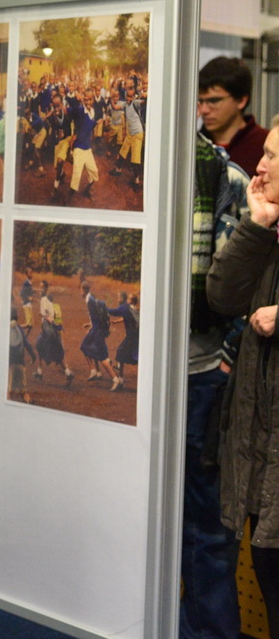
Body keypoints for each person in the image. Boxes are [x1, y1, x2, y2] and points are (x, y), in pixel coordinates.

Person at [208, 118, 279, 630]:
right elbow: (223, 297)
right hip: (260, 457)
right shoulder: (269, 229)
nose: (260, 165)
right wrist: (256, 226)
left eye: (275, 156)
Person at [199, 55, 267, 172]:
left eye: (214, 101)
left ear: (241, 100)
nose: (204, 110)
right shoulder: (192, 144)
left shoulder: (266, 145)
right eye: (200, 101)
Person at [79, 280, 118, 389]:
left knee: (92, 351)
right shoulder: (91, 299)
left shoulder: (89, 300)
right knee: (92, 350)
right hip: (97, 329)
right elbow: (95, 316)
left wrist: (93, 326)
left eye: (80, 290)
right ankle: (97, 372)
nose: (80, 292)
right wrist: (90, 324)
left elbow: (95, 317)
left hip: (97, 331)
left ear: (84, 290)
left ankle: (114, 379)